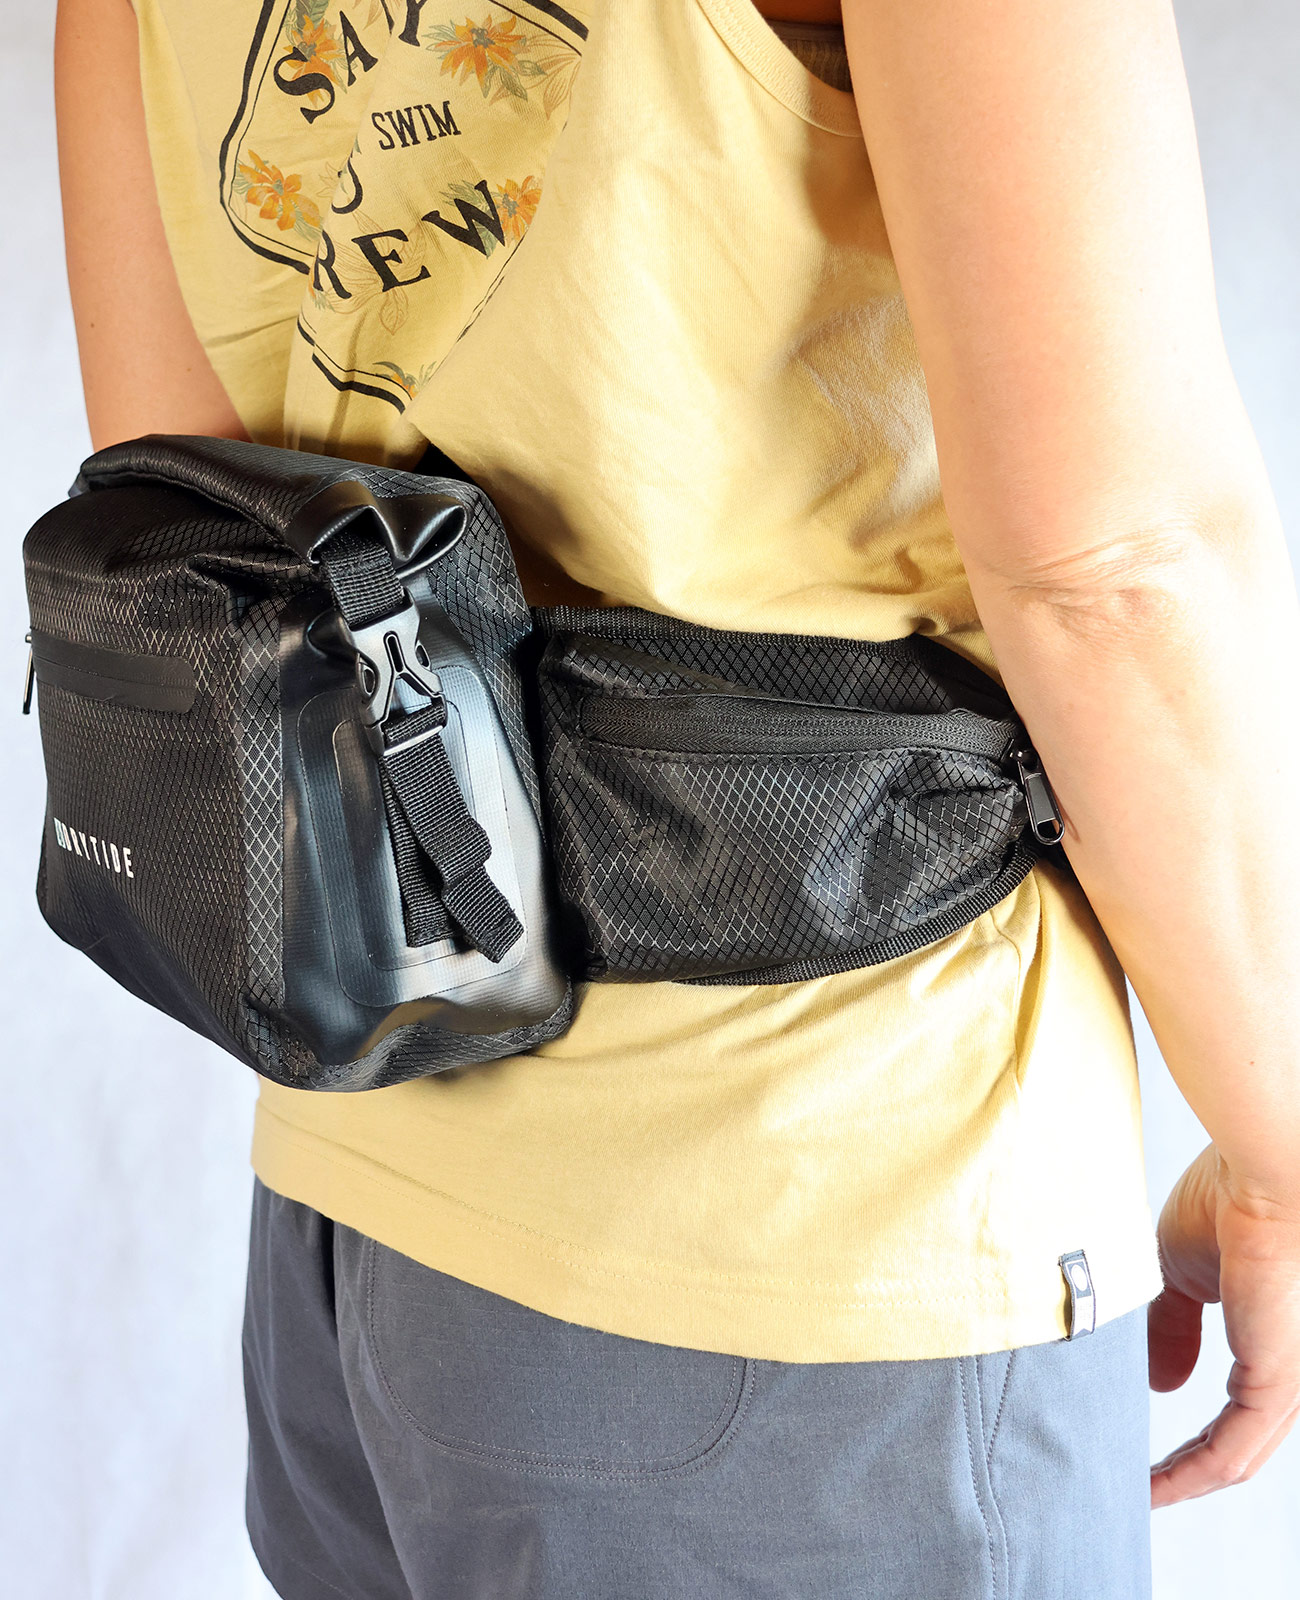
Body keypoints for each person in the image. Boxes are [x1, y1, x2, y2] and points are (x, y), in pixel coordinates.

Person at [54, 0, 1300, 1595]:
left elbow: (192, 527)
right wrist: (1277, 1149)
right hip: (810, 1235)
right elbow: (1112, 569)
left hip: (357, 1227)